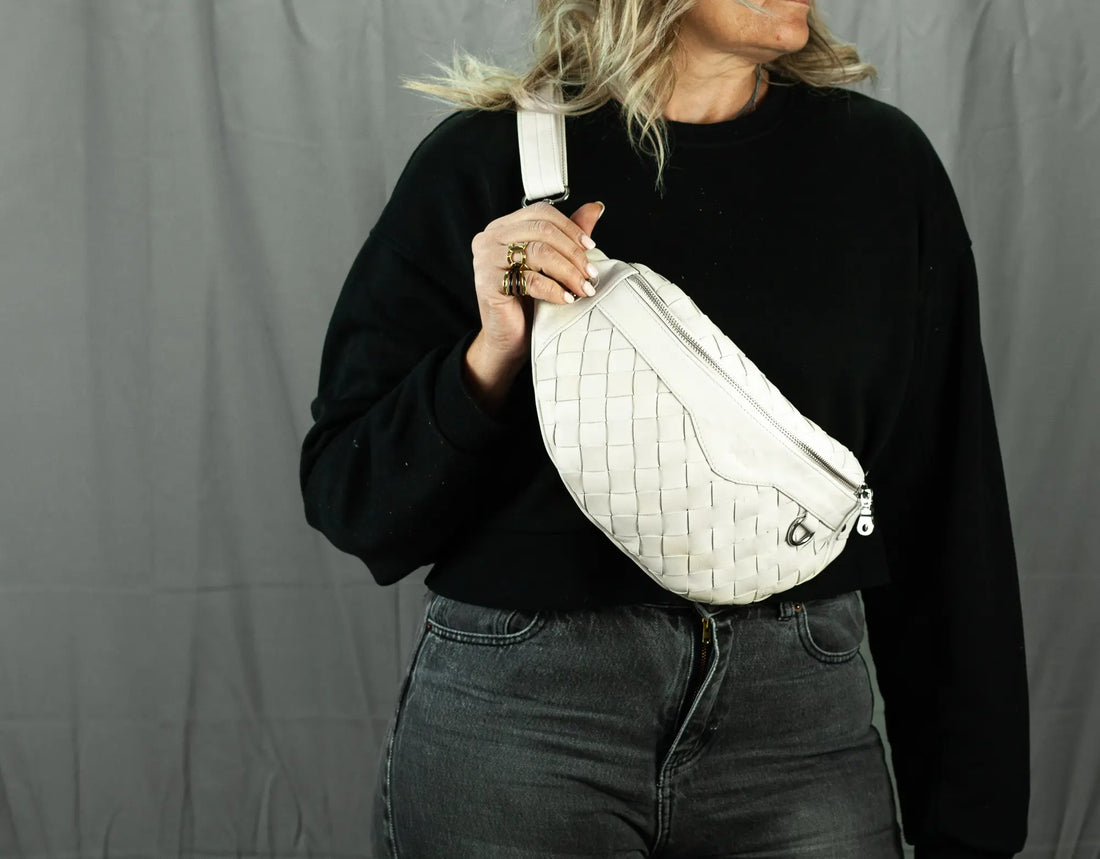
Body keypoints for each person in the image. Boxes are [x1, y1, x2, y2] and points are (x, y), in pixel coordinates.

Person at [299, 0, 1029, 855]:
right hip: (526, 721)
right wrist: (493, 349)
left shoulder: (880, 168)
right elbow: (351, 497)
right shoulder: (488, 164)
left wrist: (970, 823)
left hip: (798, 721)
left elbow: (944, 497)